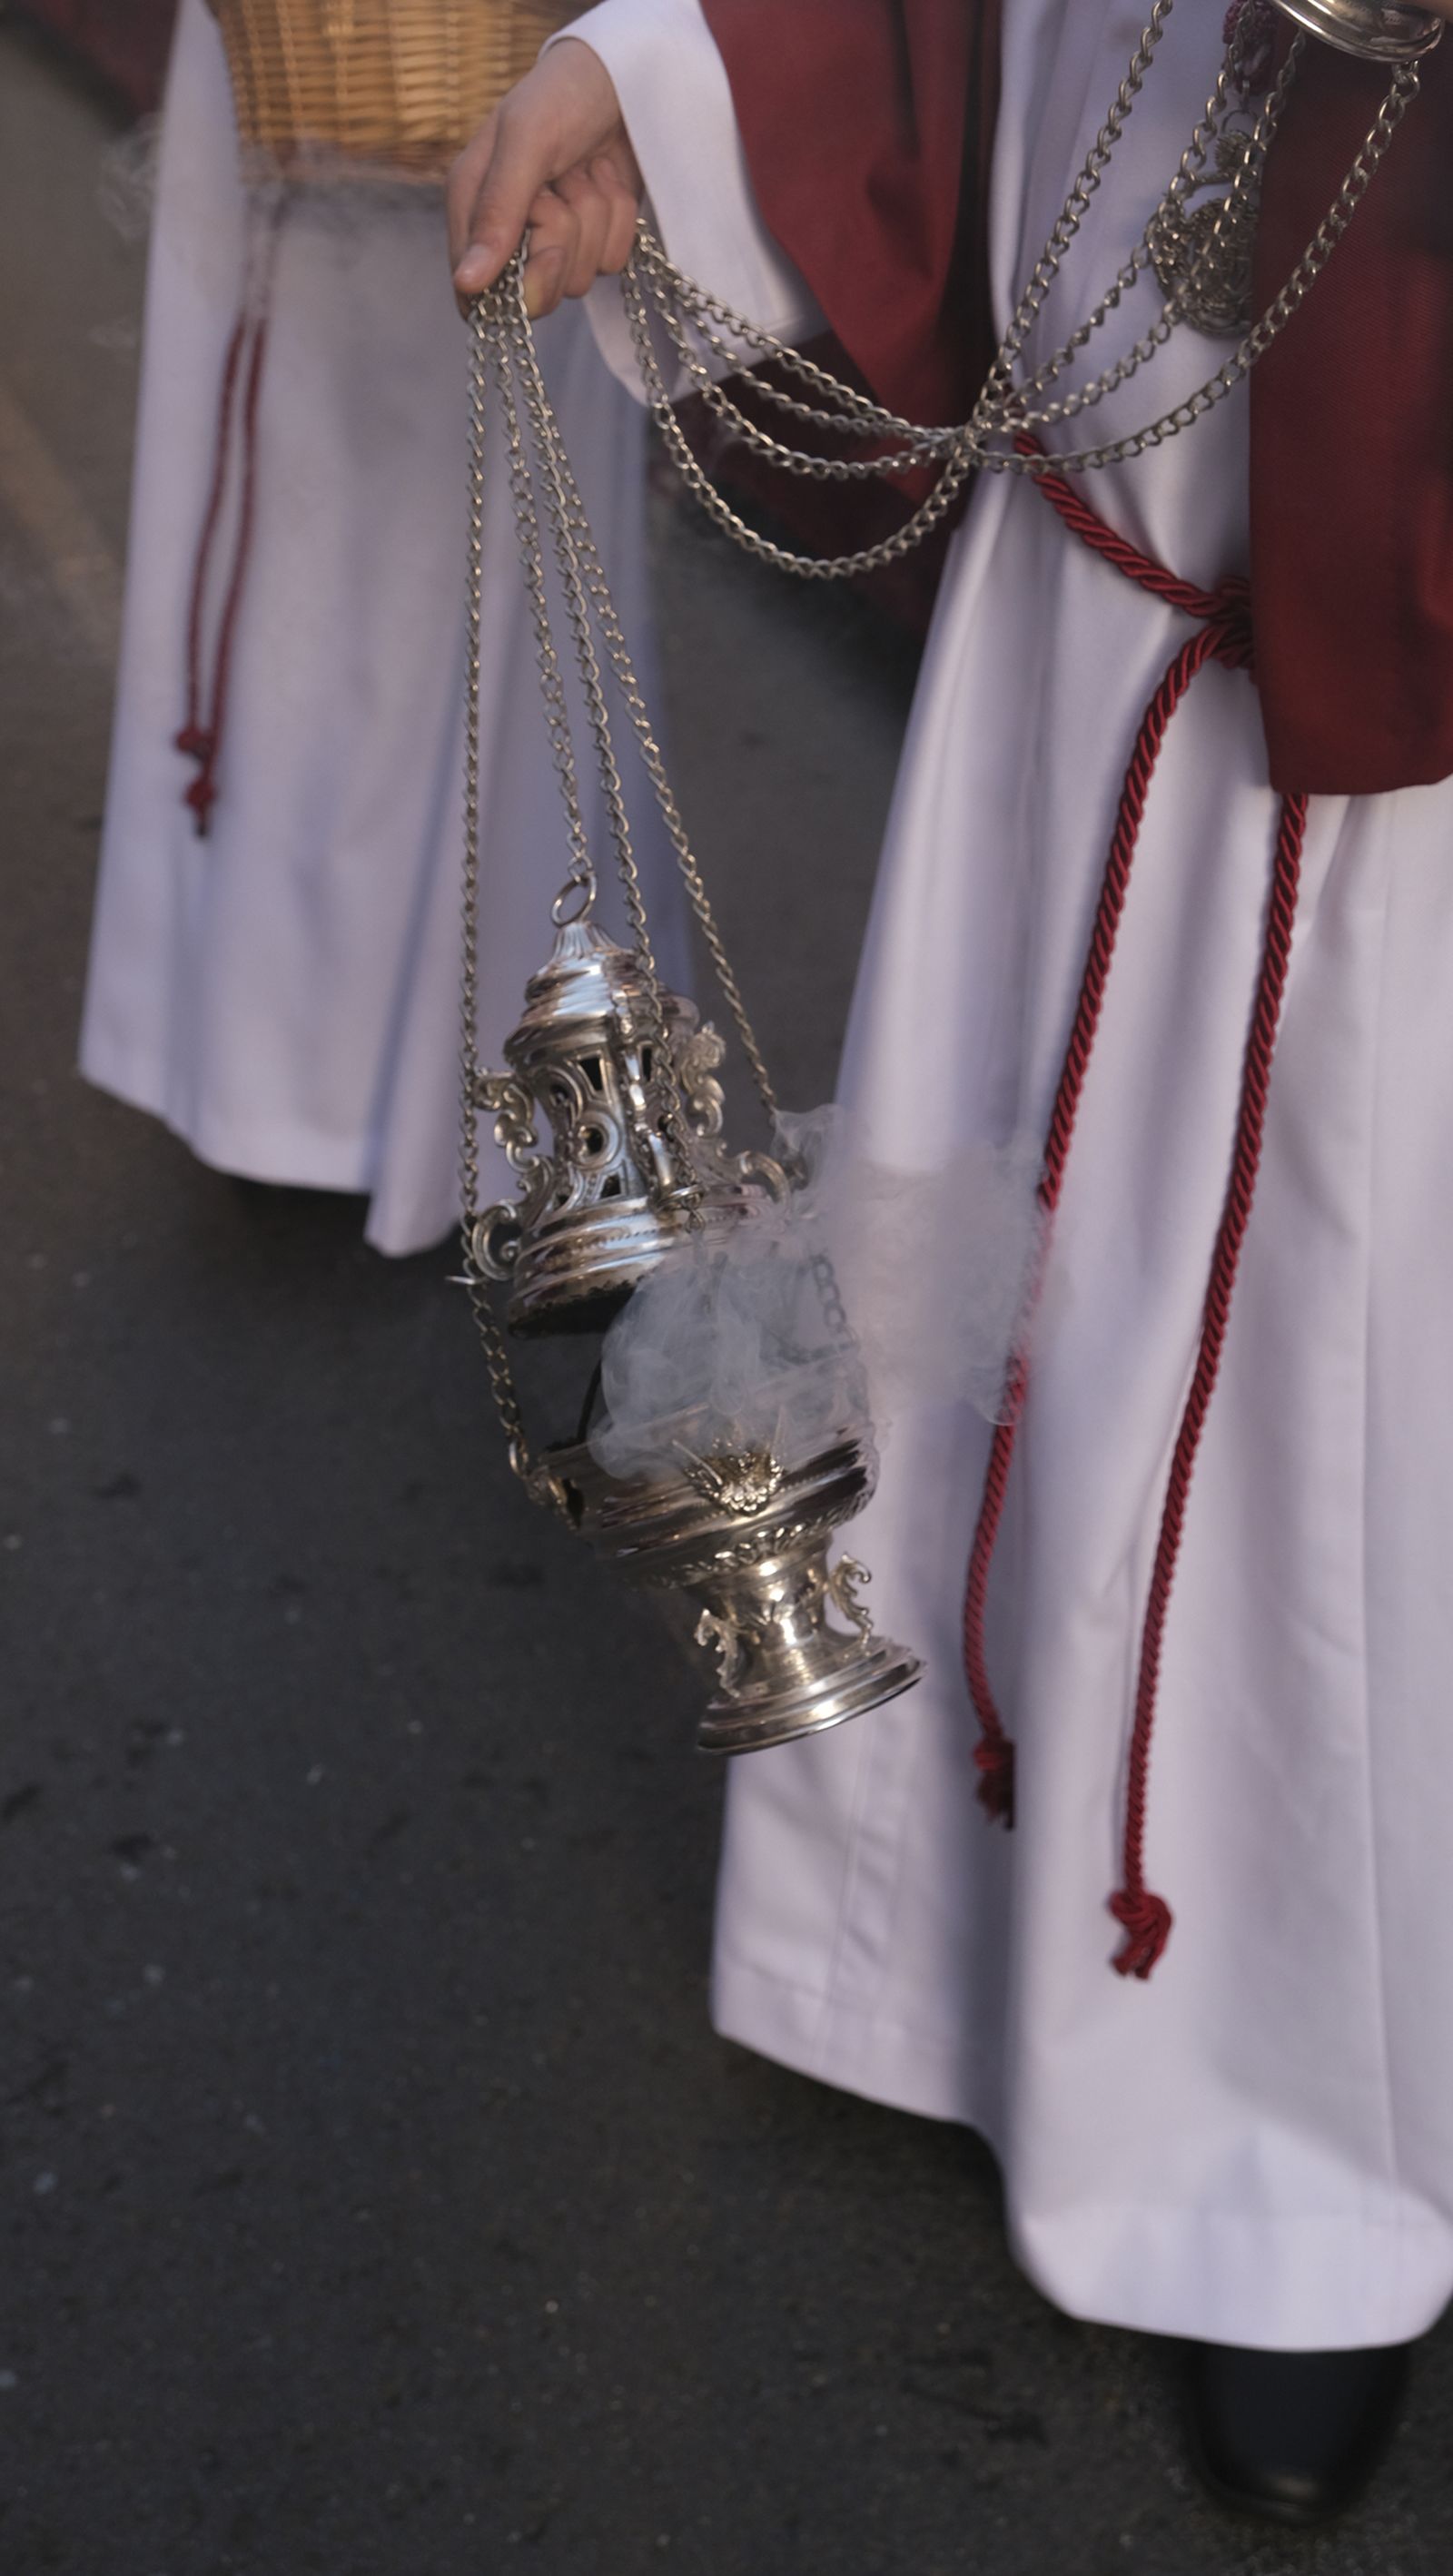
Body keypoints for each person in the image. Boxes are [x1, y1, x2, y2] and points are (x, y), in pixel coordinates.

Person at [445, 0, 1453, 2524]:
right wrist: (670, 87)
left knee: (1299, 1411)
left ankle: (1274, 2154)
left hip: (1352, 722)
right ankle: (933, 1950)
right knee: (978, 1285)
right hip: (1067, 613)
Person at [81, 0, 687, 1258]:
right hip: (298, 71)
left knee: (499, 525)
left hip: (529, 50)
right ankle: (280, 1066)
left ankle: (521, 1064)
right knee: (295, 507)